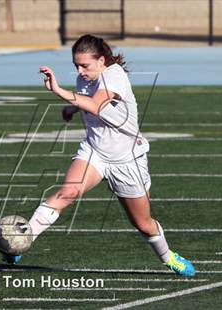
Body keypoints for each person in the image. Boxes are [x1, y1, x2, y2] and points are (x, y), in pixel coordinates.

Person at [21, 35, 195, 276]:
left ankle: (168, 257)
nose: (80, 71)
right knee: (67, 192)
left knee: (143, 224)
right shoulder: (86, 77)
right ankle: (22, 239)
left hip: (126, 159)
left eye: (85, 65)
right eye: (76, 66)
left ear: (101, 60)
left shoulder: (114, 76)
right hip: (95, 151)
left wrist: (59, 91)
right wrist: (72, 107)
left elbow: (95, 105)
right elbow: (87, 100)